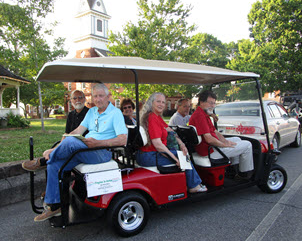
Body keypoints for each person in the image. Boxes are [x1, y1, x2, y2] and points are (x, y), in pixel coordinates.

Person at [23, 83, 128, 222]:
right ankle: (55, 206)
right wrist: (56, 148)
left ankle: (42, 161)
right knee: (55, 164)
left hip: (102, 152)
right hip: (86, 149)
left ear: (108, 96)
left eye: (101, 96)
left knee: (71, 142)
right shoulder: (92, 112)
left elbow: (122, 140)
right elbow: (76, 131)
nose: (98, 99)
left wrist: (98, 143)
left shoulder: (115, 113)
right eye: (95, 96)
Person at [136, 92, 207, 193]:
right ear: (152, 103)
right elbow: (158, 145)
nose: (161, 104)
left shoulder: (157, 117)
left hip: (150, 154)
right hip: (150, 156)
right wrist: (175, 159)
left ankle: (191, 183)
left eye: (163, 102)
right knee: (184, 157)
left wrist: (181, 144)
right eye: (158, 101)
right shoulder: (151, 118)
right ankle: (194, 186)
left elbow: (171, 131)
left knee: (182, 153)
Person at [189, 90, 254, 178]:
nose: (213, 106)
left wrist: (225, 141)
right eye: (210, 103)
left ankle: (233, 169)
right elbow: (209, 139)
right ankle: (244, 174)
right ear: (201, 102)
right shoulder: (200, 116)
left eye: (214, 103)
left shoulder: (204, 114)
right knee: (248, 145)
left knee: (237, 139)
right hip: (210, 150)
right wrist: (224, 144)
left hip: (209, 147)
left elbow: (215, 131)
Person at [22, 90, 89, 171]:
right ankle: (61, 178)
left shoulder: (89, 113)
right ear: (71, 101)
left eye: (80, 98)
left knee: (59, 153)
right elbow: (66, 134)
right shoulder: (71, 115)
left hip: (82, 146)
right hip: (69, 144)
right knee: (53, 159)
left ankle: (42, 162)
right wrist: (58, 146)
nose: (77, 100)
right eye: (74, 98)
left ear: (84, 99)